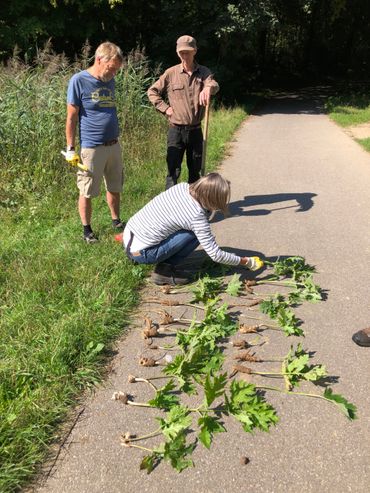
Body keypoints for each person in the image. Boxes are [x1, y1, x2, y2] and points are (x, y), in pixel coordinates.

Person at [121, 173, 263, 285]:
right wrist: (246, 261)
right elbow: (215, 254)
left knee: (182, 228)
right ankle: (163, 271)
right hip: (143, 252)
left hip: (129, 234)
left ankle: (142, 255)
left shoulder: (181, 187)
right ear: (212, 199)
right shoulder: (196, 217)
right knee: (193, 235)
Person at [64, 41, 125, 243]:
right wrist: (71, 148)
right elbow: (72, 117)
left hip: (113, 145)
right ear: (99, 60)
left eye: (117, 69)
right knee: (87, 189)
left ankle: (116, 221)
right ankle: (87, 230)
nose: (114, 73)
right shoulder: (79, 80)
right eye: (112, 68)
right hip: (92, 147)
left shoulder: (110, 80)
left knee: (115, 185)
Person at [147, 35, 219, 190]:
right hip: (176, 131)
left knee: (195, 172)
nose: (184, 56)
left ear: (195, 51)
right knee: (173, 171)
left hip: (196, 131)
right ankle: (169, 206)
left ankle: (194, 206)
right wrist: (165, 108)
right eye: (181, 53)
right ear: (177, 53)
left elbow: (214, 84)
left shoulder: (204, 72)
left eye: (188, 52)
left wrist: (208, 88)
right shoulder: (170, 73)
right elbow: (152, 92)